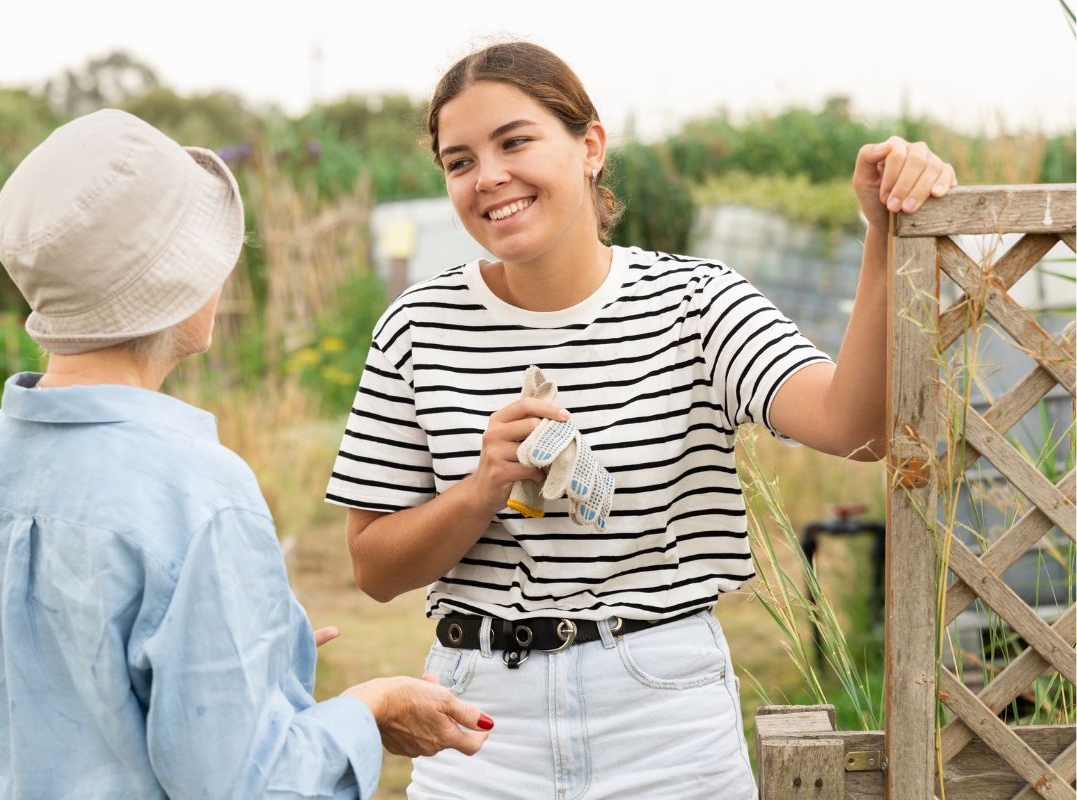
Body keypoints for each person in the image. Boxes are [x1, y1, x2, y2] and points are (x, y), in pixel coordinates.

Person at [324, 42, 956, 798]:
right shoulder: (417, 326)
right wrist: (483, 487)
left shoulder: (697, 302)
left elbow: (855, 429)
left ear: (590, 145)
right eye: (459, 162)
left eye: (514, 141)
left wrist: (884, 234)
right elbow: (373, 569)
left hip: (663, 713)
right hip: (481, 725)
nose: (488, 177)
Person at [0, 109, 492, 800]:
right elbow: (256, 787)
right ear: (176, 283)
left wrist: (259, 674)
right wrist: (370, 710)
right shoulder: (197, 493)